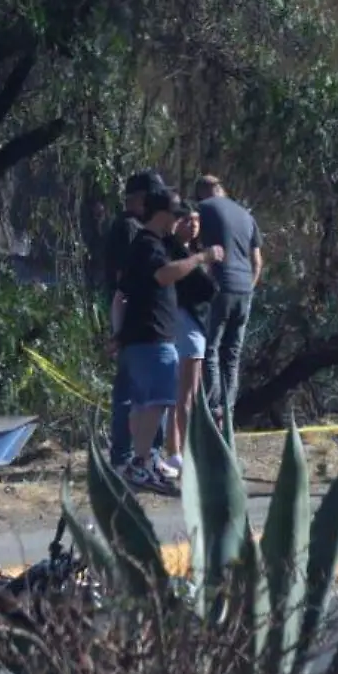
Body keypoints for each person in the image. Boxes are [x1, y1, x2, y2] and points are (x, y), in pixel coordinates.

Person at [117, 191, 223, 491]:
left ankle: (143, 461)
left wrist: (118, 334)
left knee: (142, 403)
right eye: (177, 215)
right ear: (162, 214)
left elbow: (119, 296)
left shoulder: (143, 245)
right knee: (159, 403)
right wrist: (202, 257)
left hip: (140, 337)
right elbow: (164, 275)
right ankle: (141, 462)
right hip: (153, 336)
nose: (179, 221)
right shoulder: (151, 245)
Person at [104, 170, 168, 467]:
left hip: (132, 321)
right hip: (135, 322)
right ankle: (134, 456)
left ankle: (137, 455)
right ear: (141, 199)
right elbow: (124, 281)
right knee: (137, 395)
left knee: (137, 393)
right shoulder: (130, 229)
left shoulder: (128, 227)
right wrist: (122, 329)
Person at [193, 175, 263, 429]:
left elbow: (193, 248)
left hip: (221, 287)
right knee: (232, 354)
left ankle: (211, 407)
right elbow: (258, 262)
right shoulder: (246, 215)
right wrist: (248, 288)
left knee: (210, 348)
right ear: (222, 188)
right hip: (245, 290)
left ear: (201, 193)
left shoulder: (203, 210)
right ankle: (227, 410)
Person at [167, 199, 220, 457]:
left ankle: (179, 450)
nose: (193, 225)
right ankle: (185, 452)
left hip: (197, 324)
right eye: (187, 220)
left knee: (188, 395)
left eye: (196, 220)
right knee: (183, 396)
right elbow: (205, 287)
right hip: (185, 322)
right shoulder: (177, 253)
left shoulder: (194, 251)